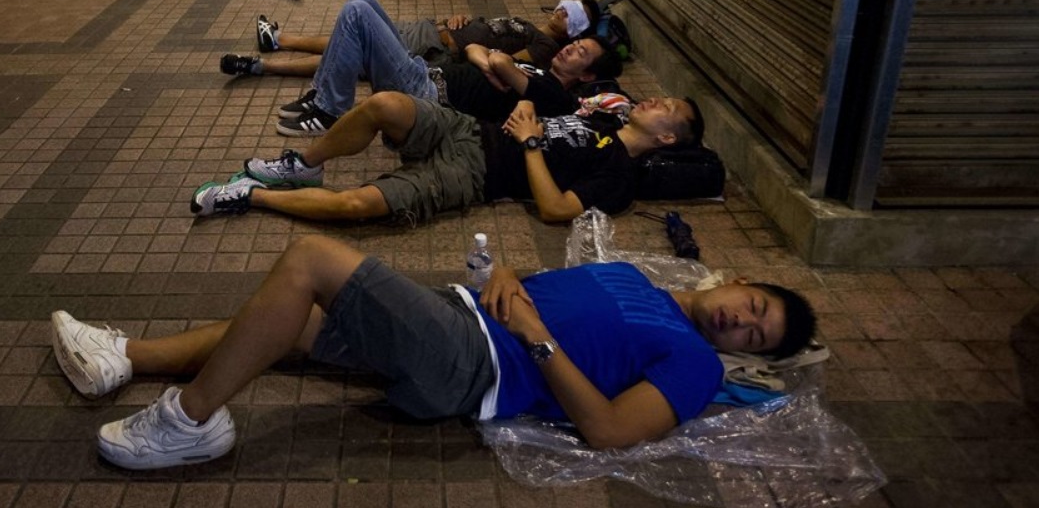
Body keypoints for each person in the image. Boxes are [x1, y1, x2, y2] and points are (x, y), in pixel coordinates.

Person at [49, 234, 815, 471]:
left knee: (310, 261)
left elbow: (611, 431)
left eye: (756, 336)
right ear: (739, 282)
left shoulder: (696, 361)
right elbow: (532, 285)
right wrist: (511, 275)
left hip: (474, 363)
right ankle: (124, 355)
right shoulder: (629, 275)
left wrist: (535, 338)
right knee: (275, 321)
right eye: (753, 308)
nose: (741, 325)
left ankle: (189, 421)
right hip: (458, 314)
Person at [194, 88, 701, 224]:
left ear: (669, 140)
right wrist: (526, 108)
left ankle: (253, 196)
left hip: (474, 174)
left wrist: (528, 144)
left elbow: (555, 210)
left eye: (669, 109)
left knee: (356, 207)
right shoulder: (604, 121)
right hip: (466, 129)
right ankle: (303, 165)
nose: (657, 101)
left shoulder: (619, 179)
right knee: (384, 104)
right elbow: (537, 104)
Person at [239, 0, 620, 137]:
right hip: (425, 72)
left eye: (580, 52)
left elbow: (501, 61)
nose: (570, 51)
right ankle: (323, 95)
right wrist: (480, 55)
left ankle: (328, 109)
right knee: (364, 0)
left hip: (427, 95)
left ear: (587, 75)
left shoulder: (554, 95)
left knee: (357, 13)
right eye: (577, 47)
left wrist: (491, 60)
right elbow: (484, 55)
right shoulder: (538, 75)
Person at [229, 0, 601, 81]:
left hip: (435, 49)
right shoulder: (531, 25)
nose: (561, 11)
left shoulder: (545, 47)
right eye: (564, 7)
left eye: (571, 14)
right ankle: (278, 38)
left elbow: (502, 63)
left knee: (352, 58)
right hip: (432, 30)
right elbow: (490, 29)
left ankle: (263, 64)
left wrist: (459, 48)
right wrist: (459, 20)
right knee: (350, 35)